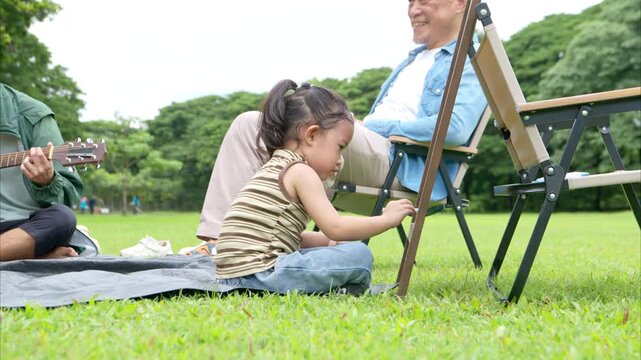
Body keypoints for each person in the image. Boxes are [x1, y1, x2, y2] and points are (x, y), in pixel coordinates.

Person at [195, 0, 487, 250]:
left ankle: (234, 242)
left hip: (402, 163)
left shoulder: (469, 61)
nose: (413, 10)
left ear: (460, 3)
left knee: (294, 129)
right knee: (251, 124)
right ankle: (220, 240)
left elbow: (454, 129)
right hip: (376, 149)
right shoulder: (414, 60)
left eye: (424, 1)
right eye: (410, 2)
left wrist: (375, 125)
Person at [214, 80, 416, 294]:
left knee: (340, 248)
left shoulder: (273, 167)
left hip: (233, 275)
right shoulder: (301, 171)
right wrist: (386, 219)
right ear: (311, 135)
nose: (340, 161)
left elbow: (286, 237)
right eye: (339, 148)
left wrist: (327, 241)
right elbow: (336, 226)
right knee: (358, 255)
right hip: (263, 275)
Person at [0, 83, 84, 261]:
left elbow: (68, 193)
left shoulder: (34, 115)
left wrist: (47, 182)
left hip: (21, 225)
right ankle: (36, 256)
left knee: (63, 219)